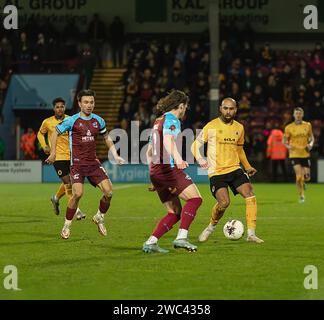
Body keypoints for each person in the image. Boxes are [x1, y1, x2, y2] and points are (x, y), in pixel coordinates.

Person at [46, 90, 125, 239]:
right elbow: (56, 132)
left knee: (109, 192)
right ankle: (67, 225)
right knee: (77, 194)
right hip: (77, 164)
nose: (89, 105)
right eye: (86, 102)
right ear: (79, 103)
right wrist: (53, 153)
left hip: (93, 164)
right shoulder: (72, 120)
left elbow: (106, 137)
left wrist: (115, 155)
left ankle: (99, 217)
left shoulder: (99, 121)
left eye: (92, 102)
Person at [191, 98, 264, 244]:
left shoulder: (239, 128)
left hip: (235, 168)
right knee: (224, 203)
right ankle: (211, 226)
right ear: (220, 109)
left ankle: (251, 234)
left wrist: (248, 167)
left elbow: (239, 150)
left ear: (236, 109)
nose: (228, 111)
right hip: (217, 172)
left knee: (250, 195)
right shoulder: (211, 126)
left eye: (231, 109)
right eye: (225, 108)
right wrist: (200, 159)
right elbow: (194, 145)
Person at [143, 90, 203, 253]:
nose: (185, 111)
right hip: (167, 168)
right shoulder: (172, 120)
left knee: (175, 212)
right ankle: (181, 238)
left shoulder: (158, 121)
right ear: (181, 106)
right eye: (185, 107)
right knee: (195, 199)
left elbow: (149, 151)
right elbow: (168, 140)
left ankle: (151, 242)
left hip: (156, 170)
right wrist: (177, 158)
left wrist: (151, 176)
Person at [37, 97, 85, 219]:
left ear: (64, 108)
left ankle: (56, 198)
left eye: (62, 107)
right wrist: (45, 146)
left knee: (71, 181)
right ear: (54, 108)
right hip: (57, 156)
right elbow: (40, 133)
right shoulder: (47, 122)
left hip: (71, 155)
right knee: (68, 182)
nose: (59, 109)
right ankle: (76, 210)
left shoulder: (70, 120)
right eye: (57, 107)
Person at [283, 107, 314, 203]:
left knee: (307, 177)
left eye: (300, 113)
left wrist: (311, 145)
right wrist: (288, 147)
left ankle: (304, 182)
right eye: (296, 113)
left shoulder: (308, 125)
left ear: (302, 114)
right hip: (294, 154)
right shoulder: (289, 127)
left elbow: (312, 138)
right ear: (293, 115)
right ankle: (301, 195)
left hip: (305, 153)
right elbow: (284, 141)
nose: (298, 115)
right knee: (299, 176)